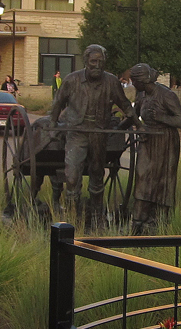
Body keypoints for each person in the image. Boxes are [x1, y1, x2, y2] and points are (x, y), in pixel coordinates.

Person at [49, 44, 134, 228]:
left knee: (97, 174)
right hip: (77, 133)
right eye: (93, 61)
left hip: (99, 133)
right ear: (86, 61)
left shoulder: (111, 81)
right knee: (72, 176)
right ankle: (72, 219)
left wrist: (137, 123)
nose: (97, 65)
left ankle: (97, 217)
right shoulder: (72, 80)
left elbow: (125, 104)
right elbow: (58, 102)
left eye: (101, 62)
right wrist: (52, 123)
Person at [128, 63, 181, 235]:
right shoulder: (142, 94)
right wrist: (118, 128)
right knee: (143, 176)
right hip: (148, 141)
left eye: (133, 81)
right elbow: (133, 115)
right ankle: (138, 222)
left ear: (141, 80)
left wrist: (160, 117)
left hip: (165, 142)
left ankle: (158, 222)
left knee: (162, 181)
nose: (132, 84)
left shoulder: (166, 95)